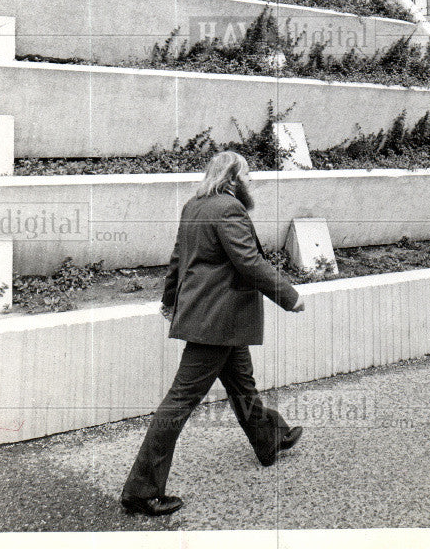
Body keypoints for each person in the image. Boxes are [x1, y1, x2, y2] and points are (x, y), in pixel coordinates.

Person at [121, 150, 306, 518]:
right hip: (218, 321)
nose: (252, 182)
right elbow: (249, 262)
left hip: (214, 318)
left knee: (242, 384)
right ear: (233, 177)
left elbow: (178, 258)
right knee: (179, 401)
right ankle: (141, 491)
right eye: (248, 175)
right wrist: (290, 296)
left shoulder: (194, 206)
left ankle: (270, 438)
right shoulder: (229, 209)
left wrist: (169, 300)